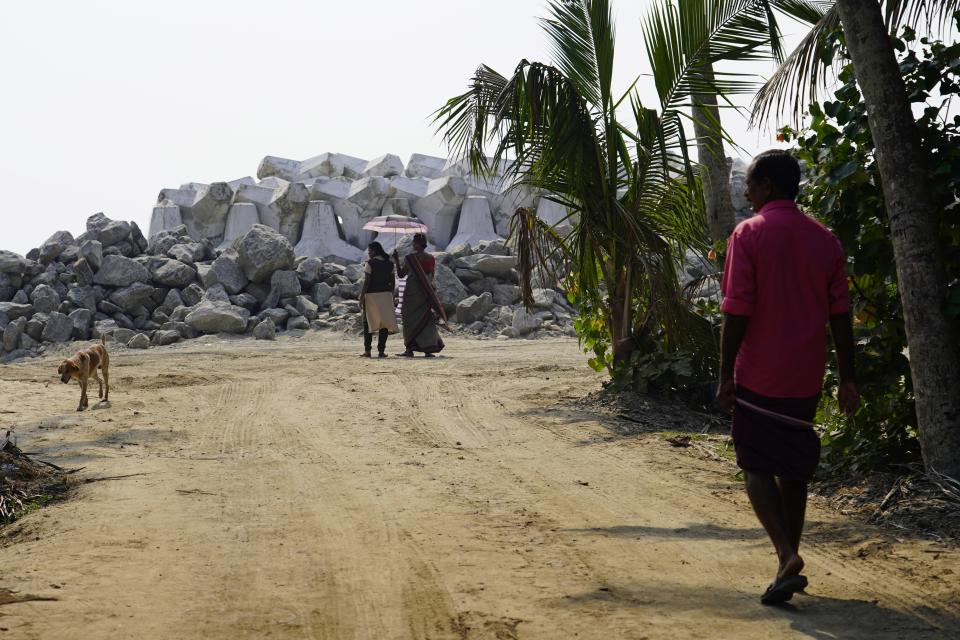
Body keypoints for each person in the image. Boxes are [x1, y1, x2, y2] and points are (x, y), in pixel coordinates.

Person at [716, 150, 859, 605]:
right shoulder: (825, 239)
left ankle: (784, 551)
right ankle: (786, 565)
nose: (746, 191)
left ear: (770, 187)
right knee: (794, 472)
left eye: (752, 184)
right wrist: (848, 378)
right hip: (805, 374)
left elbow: (737, 309)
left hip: (759, 372)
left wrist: (725, 375)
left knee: (755, 465)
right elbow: (841, 313)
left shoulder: (749, 234)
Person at [392, 233, 446, 357]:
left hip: (412, 293)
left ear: (416, 244)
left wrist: (396, 259)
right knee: (426, 319)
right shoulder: (431, 258)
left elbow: (401, 275)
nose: (413, 245)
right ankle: (428, 348)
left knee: (409, 319)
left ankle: (409, 349)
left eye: (414, 242)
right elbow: (431, 275)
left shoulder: (411, 258)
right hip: (426, 292)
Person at [359, 242, 398, 358]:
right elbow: (393, 282)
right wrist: (390, 294)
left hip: (371, 296)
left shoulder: (370, 263)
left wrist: (361, 297)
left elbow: (367, 282)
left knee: (368, 323)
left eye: (370, 251)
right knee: (384, 324)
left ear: (375, 251)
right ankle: (381, 351)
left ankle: (367, 350)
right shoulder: (390, 264)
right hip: (386, 296)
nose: (368, 253)